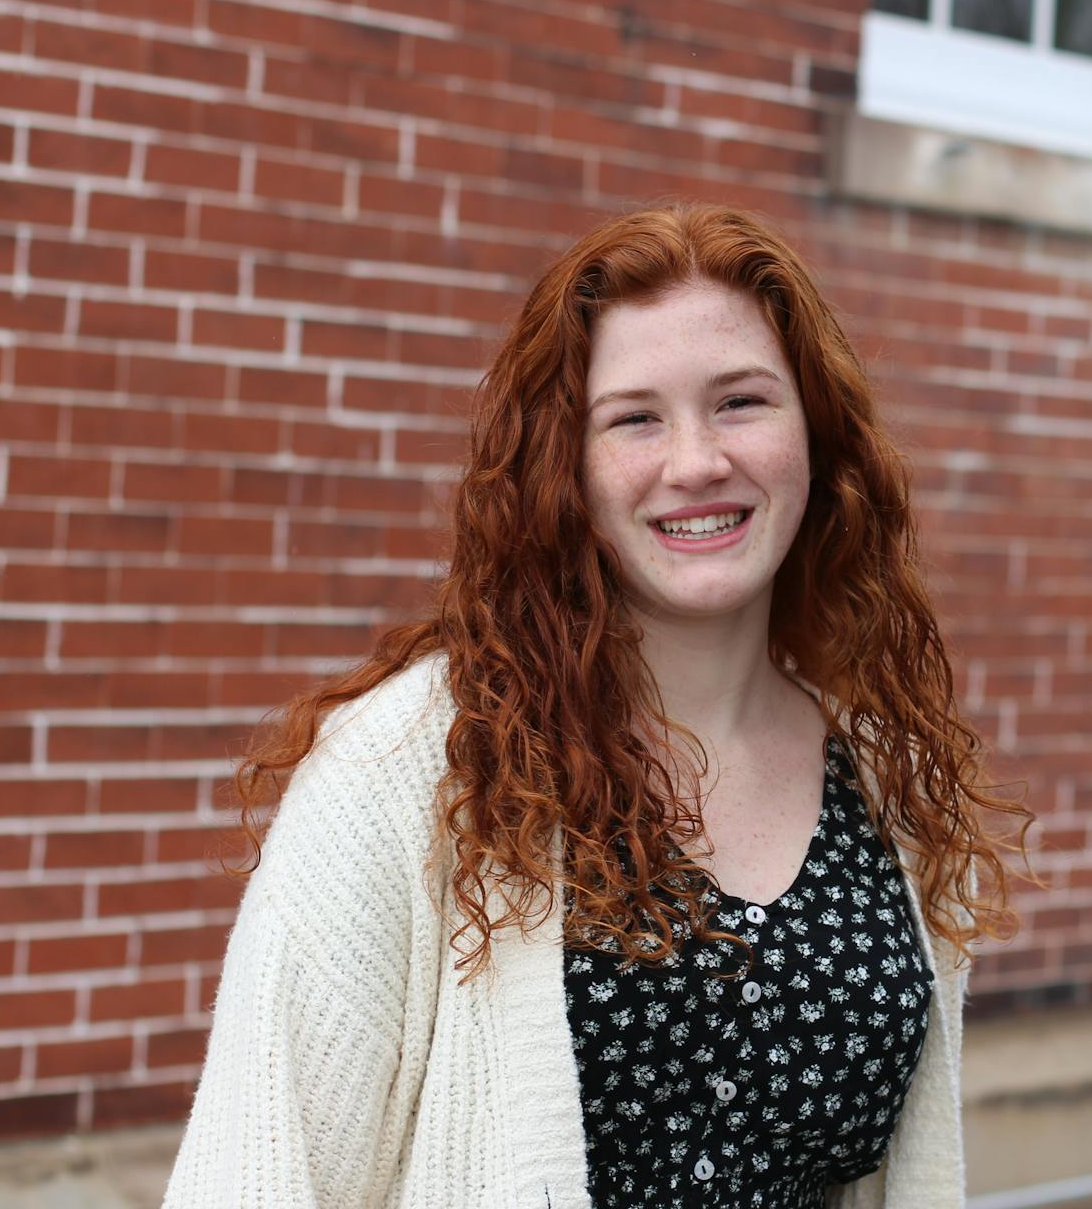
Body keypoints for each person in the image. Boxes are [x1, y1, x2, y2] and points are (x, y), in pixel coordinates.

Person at [162, 201, 1028, 1208]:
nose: (697, 460)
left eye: (742, 401)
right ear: (561, 467)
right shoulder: (404, 770)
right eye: (635, 417)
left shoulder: (884, 777)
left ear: (820, 434)